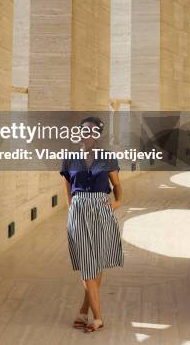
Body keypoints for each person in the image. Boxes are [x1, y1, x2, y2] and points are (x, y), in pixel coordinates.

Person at [60, 115, 124, 333]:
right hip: (78, 212)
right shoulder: (69, 159)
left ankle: (83, 311)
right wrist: (72, 207)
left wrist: (117, 203)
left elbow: (116, 184)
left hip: (101, 211)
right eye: (84, 130)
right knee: (87, 264)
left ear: (98, 134)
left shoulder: (107, 158)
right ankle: (98, 318)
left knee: (95, 263)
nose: (87, 133)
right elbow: (67, 187)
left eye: (92, 130)